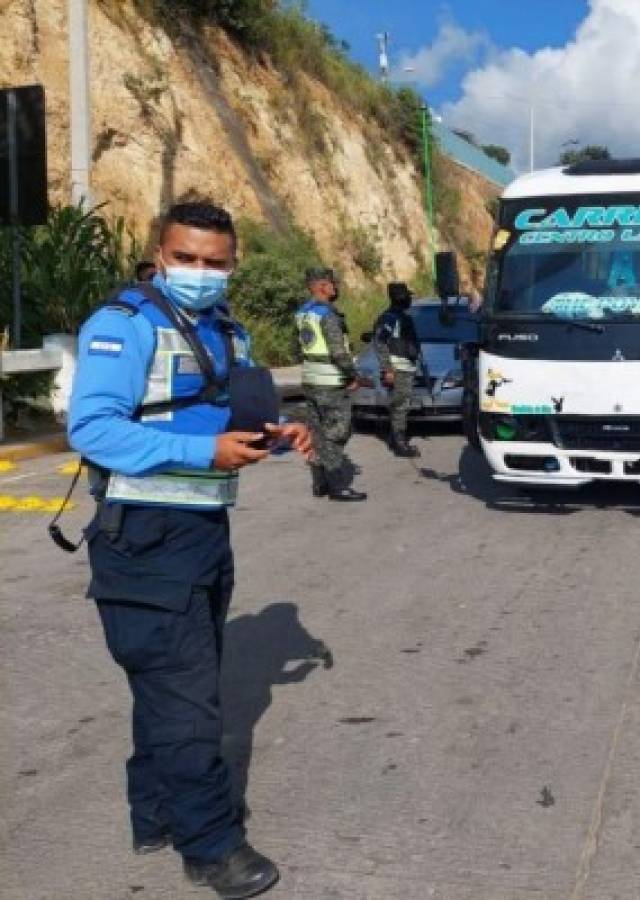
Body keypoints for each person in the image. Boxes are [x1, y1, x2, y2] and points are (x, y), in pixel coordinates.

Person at [68, 202, 314, 898]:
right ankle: (209, 846)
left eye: (215, 262)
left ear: (233, 264)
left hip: (204, 532)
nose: (200, 274)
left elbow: (223, 417)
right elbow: (94, 431)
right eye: (187, 259)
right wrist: (204, 451)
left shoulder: (224, 333)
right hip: (144, 538)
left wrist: (277, 432)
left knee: (171, 688)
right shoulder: (124, 325)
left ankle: (156, 814)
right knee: (186, 704)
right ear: (158, 253)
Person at [295, 267, 367, 501]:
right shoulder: (327, 315)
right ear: (321, 286)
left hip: (311, 379)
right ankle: (337, 484)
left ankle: (320, 483)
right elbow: (338, 351)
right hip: (330, 381)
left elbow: (299, 347)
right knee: (337, 431)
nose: (335, 287)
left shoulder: (302, 313)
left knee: (318, 432)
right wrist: (352, 375)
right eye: (331, 284)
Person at [372, 281, 422, 458]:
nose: (410, 299)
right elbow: (379, 342)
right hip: (397, 369)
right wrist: (388, 369)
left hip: (406, 368)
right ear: (400, 297)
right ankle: (400, 444)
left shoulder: (401, 317)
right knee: (400, 406)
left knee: (402, 405)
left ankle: (397, 438)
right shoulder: (390, 318)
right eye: (407, 295)